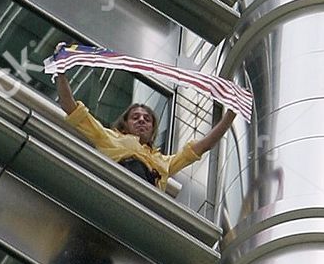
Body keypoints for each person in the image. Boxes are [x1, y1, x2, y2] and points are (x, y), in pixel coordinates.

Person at [53, 71, 235, 188]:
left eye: (147, 119)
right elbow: (71, 108)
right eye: (135, 117)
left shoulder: (164, 162)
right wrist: (61, 74)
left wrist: (230, 116)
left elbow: (203, 146)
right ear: (125, 124)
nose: (141, 120)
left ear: (153, 129)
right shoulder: (108, 138)